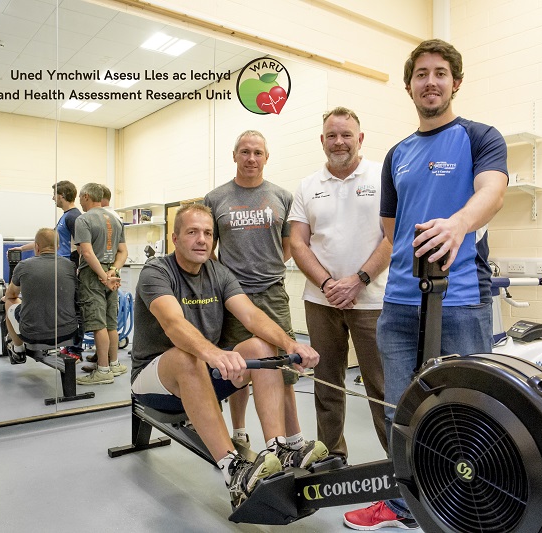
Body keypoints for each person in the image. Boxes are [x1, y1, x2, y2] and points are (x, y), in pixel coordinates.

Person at [343, 39, 508, 530]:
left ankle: (470, 506)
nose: (430, 82)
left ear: (455, 82)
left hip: (459, 299)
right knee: (402, 407)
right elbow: (393, 227)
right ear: (409, 85)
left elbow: (493, 193)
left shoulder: (481, 136)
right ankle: (404, 504)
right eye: (421, 74)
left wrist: (457, 226)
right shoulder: (398, 153)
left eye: (440, 73)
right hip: (398, 304)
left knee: (468, 409)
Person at [130, 203, 328, 506]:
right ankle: (233, 469)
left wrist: (291, 345)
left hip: (200, 371)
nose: (201, 239)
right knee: (188, 357)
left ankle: (279, 449)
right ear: (175, 238)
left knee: (261, 346)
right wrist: (214, 354)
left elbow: (251, 315)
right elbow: (173, 324)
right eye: (193, 232)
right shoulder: (156, 271)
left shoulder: (217, 272)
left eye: (208, 233)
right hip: (155, 379)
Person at [288, 106, 391, 462]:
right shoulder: (308, 186)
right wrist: (329, 283)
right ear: (322, 140)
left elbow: (393, 237)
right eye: (331, 135)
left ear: (360, 138)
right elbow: (298, 242)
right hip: (321, 300)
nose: (339, 141)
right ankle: (331, 454)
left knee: (382, 386)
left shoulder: (382, 176)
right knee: (327, 383)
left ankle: (401, 466)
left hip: (372, 299)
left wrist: (358, 280)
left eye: (346, 134)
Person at [203, 130, 306, 451]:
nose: (251, 158)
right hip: (233, 299)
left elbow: (289, 244)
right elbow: (208, 247)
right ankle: (239, 431)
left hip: (273, 295)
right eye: (245, 152)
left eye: (257, 153)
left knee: (282, 367)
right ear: (234, 156)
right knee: (238, 367)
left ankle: (291, 441)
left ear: (266, 157)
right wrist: (227, 279)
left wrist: (267, 267)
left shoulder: (282, 197)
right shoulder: (216, 198)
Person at [9, 181, 84, 359]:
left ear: (62, 195)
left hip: (66, 267)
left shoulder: (73, 217)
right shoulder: (65, 217)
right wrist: (21, 249)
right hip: (58, 265)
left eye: (54, 194)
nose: (52, 198)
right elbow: (47, 241)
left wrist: (79, 270)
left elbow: (82, 246)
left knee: (74, 308)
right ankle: (66, 346)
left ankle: (75, 350)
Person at [74, 183, 129, 385]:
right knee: (111, 323)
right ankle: (113, 364)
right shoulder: (115, 219)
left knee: (99, 325)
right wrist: (112, 271)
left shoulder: (84, 219)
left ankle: (103, 370)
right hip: (112, 272)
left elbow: (86, 253)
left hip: (93, 274)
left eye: (80, 197)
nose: (79, 200)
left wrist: (102, 276)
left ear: (87, 196)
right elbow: (123, 251)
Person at [4, 228, 78, 362]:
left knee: (9, 302)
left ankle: (18, 350)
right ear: (58, 246)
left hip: (32, 334)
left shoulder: (23, 266)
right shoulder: (71, 266)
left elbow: (11, 294)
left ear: (36, 247)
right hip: (69, 332)